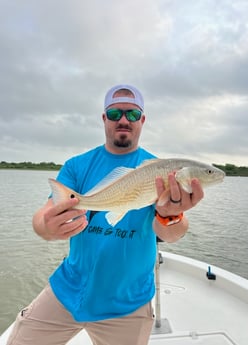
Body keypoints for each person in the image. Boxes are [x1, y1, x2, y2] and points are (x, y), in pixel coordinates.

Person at [7, 84, 204, 345]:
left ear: (142, 120)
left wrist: (171, 214)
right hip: (68, 289)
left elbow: (172, 233)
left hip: (128, 303)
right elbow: (42, 219)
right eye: (115, 114)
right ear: (104, 118)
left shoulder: (161, 171)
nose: (124, 120)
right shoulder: (77, 165)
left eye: (132, 115)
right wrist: (47, 225)